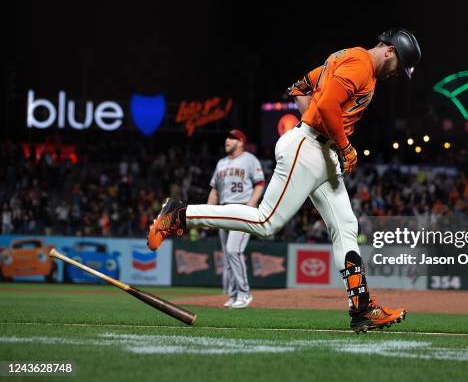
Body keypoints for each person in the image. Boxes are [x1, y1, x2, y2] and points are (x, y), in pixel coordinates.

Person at [147, 28, 421, 332]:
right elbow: (328, 106)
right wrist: (338, 142)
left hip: (322, 150)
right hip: (310, 148)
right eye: (400, 67)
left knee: (345, 227)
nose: (397, 75)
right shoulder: (359, 63)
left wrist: (320, 128)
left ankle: (362, 309)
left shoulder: (354, 61)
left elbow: (300, 86)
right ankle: (179, 215)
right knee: (266, 222)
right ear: (391, 51)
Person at [208, 129, 265, 309]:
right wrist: (208, 214)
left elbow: (260, 184)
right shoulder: (221, 163)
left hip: (241, 208)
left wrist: (251, 205)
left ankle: (244, 293)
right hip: (224, 210)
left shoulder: (249, 159)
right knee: (228, 256)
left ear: (240, 142)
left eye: (232, 138)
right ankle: (233, 296)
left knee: (234, 250)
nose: (227, 140)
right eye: (227, 137)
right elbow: (214, 190)